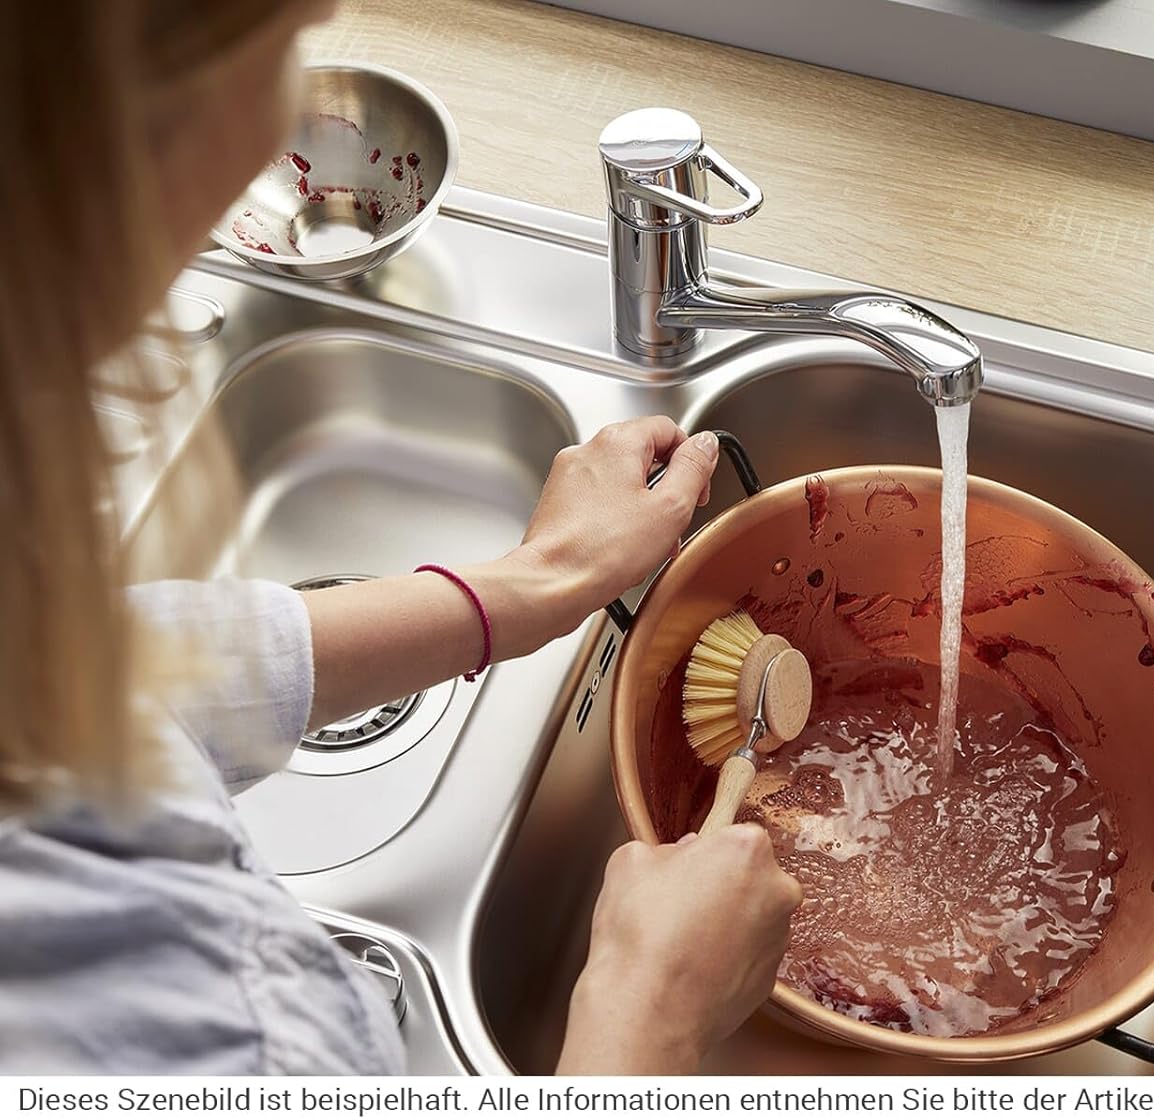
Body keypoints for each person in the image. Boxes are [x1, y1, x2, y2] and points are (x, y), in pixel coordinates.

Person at [0, 0, 801, 1075]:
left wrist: (531, 585)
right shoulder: (204, 1029)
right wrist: (647, 1013)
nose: (285, 106)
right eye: (278, 43)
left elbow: (87, 677)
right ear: (101, 139)